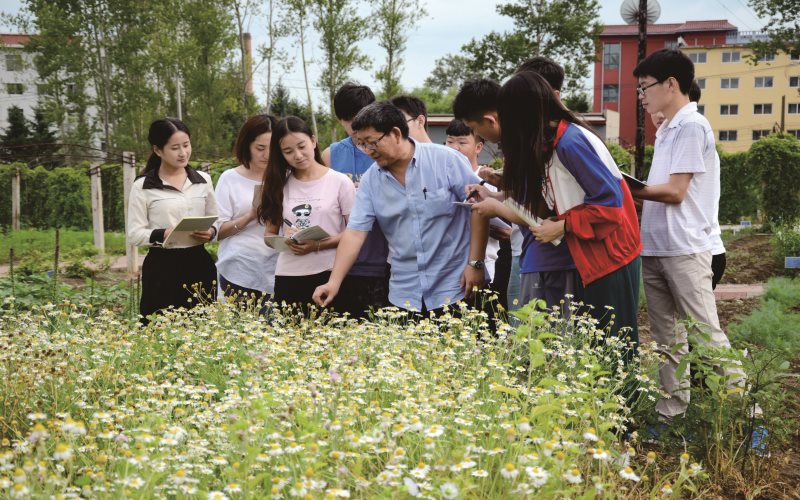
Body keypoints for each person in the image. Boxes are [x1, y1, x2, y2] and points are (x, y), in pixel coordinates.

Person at [457, 74, 642, 347]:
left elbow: (610, 205)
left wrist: (562, 225)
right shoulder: (549, 143)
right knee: (589, 351)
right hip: (591, 256)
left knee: (612, 350)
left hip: (609, 258)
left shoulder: (570, 142)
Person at [631, 48, 744, 421]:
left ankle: (749, 414)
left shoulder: (692, 127)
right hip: (657, 248)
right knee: (667, 340)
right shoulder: (667, 130)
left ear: (671, 84)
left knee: (705, 335)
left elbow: (676, 191)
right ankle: (671, 414)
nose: (642, 95)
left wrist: (628, 188)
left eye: (645, 87)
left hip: (686, 248)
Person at [313, 101, 489, 316]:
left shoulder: (445, 160)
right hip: (405, 293)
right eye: (361, 144)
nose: (368, 151)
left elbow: (479, 207)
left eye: (371, 142)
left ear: (396, 133)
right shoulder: (371, 180)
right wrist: (333, 283)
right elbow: (355, 233)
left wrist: (476, 264)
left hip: (457, 285)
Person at [453, 76, 580, 315]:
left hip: (552, 259)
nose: (475, 135)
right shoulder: (528, 142)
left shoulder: (547, 144)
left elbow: (542, 213)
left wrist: (495, 206)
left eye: (472, 129)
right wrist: (496, 195)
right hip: (532, 254)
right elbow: (525, 198)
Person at [257, 116, 356, 312]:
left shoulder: (340, 182)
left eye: (302, 146)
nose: (298, 155)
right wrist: (284, 240)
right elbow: (269, 236)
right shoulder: (279, 185)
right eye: (288, 151)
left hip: (330, 274)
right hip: (289, 276)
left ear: (313, 140)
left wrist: (317, 245)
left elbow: (354, 233)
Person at [127, 118, 218, 324]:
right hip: (162, 268)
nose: (183, 153)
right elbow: (134, 234)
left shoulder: (203, 180)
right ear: (158, 150)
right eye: (175, 148)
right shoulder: (143, 186)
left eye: (186, 145)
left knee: (202, 329)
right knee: (157, 330)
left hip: (199, 264)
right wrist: (162, 233)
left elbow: (216, 221)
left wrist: (211, 232)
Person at [320, 83, 390, 318]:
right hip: (342, 262)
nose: (353, 126)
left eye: (358, 118)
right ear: (339, 119)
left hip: (382, 258)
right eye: (347, 120)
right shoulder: (331, 154)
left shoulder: (385, 150)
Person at [445, 118, 512, 309]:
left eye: (462, 142)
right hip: (453, 268)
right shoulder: (443, 177)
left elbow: (511, 227)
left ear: (478, 147)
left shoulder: (492, 180)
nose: (454, 148)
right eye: (450, 142)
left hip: (489, 265)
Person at [214, 114, 279, 308]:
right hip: (239, 269)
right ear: (246, 145)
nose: (266, 155)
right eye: (260, 148)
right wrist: (251, 215)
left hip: (277, 269)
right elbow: (217, 231)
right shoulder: (230, 178)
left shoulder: (285, 178)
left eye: (272, 148)